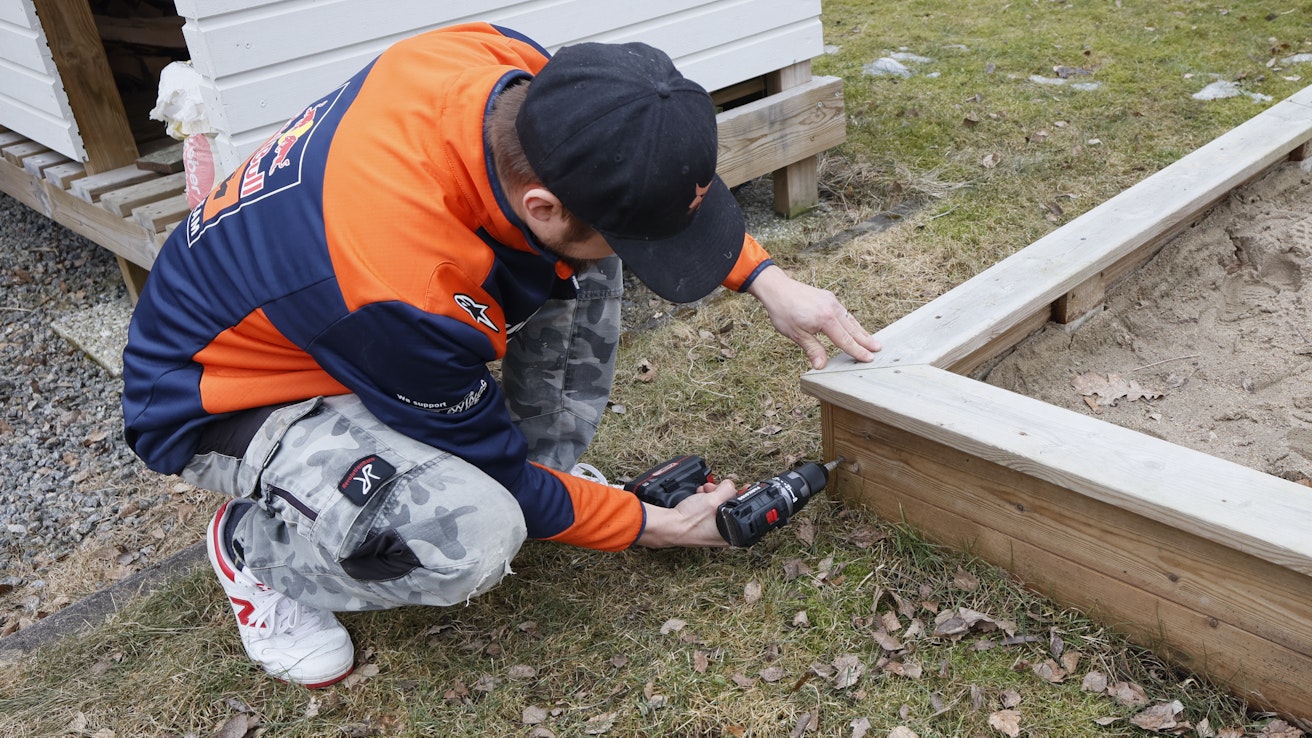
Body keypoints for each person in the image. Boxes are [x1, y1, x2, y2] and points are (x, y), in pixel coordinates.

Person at [121, 22, 880, 687]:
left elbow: (632, 188)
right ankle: (257, 552)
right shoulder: (403, 281)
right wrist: (657, 526)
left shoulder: (508, 73)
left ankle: (545, 478)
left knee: (595, 256)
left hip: (344, 320)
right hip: (225, 396)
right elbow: (498, 478)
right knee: (478, 532)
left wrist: (765, 277)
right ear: (540, 206)